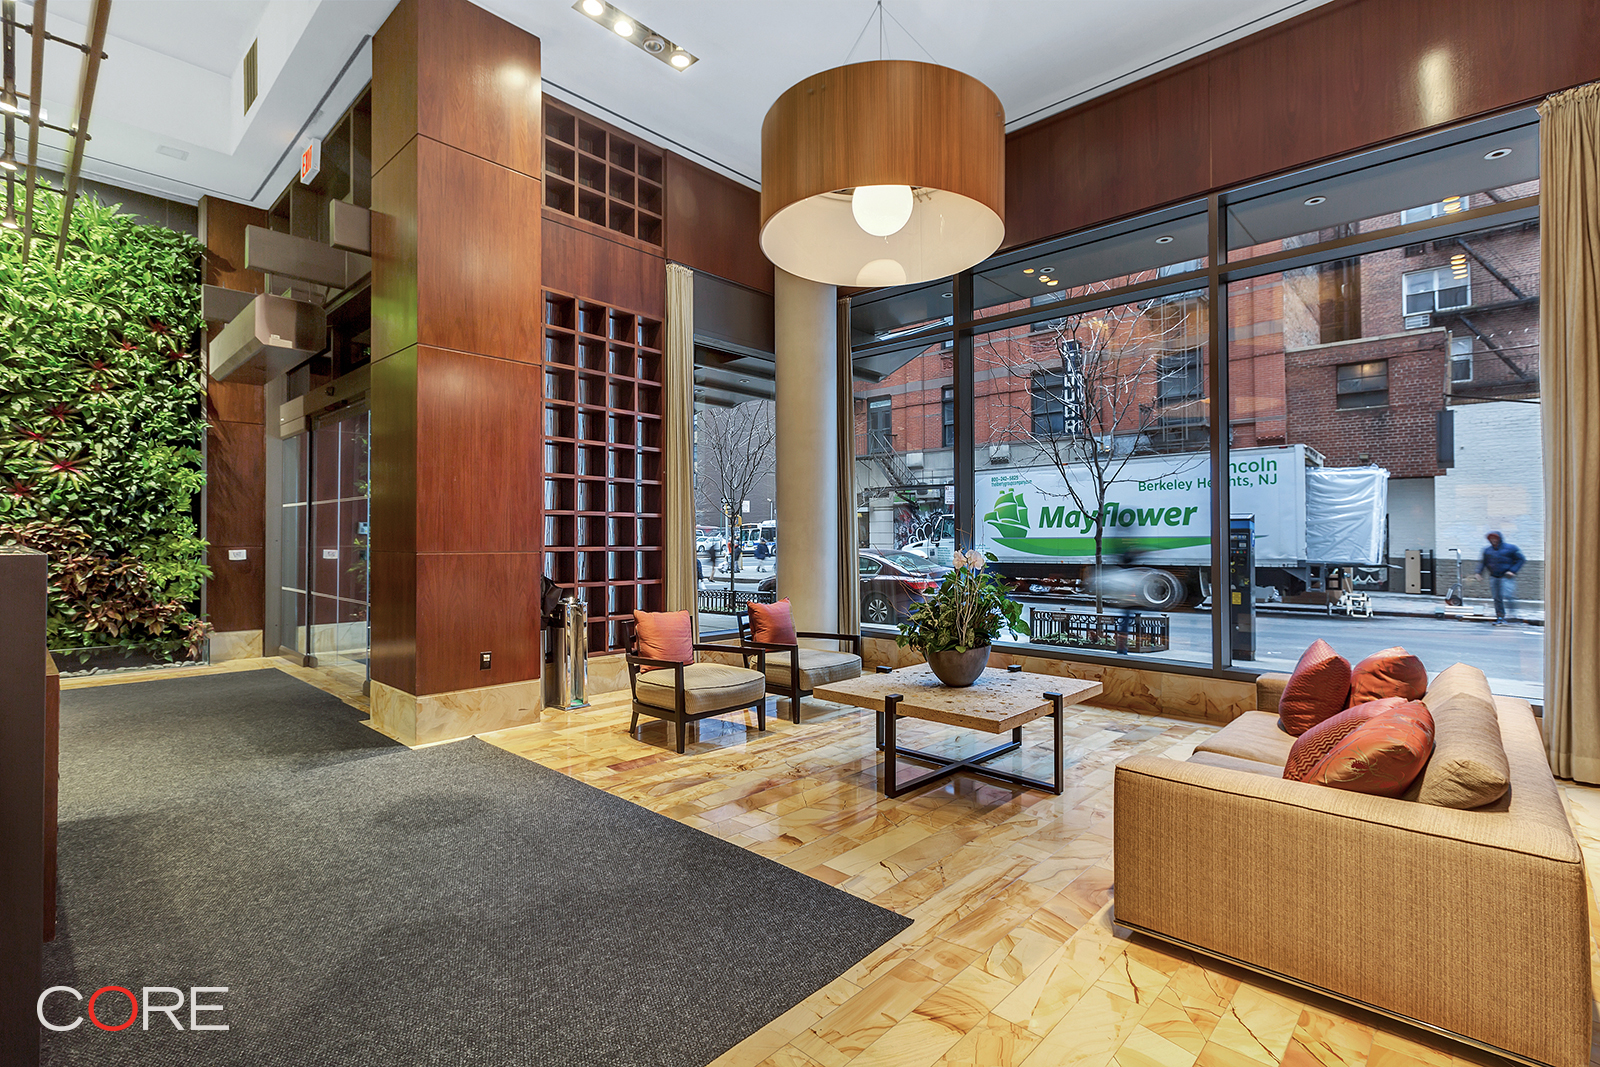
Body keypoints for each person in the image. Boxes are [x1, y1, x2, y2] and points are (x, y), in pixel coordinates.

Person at [1477, 530, 1526, 625]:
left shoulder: (1511, 548)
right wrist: (1479, 573)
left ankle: (1513, 615)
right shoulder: (1487, 550)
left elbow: (1521, 559)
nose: (1493, 540)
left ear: (1499, 539)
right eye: (1491, 538)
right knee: (1497, 598)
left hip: (1506, 576)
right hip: (1494, 577)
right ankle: (1500, 617)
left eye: (1495, 538)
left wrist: (1513, 571)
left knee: (1508, 595)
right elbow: (1483, 563)